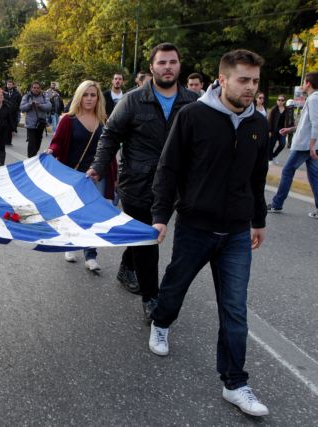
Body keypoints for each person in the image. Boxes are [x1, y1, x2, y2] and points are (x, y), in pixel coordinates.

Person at [149, 49, 269, 417]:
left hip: (235, 232)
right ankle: (161, 322)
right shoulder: (193, 117)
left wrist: (258, 220)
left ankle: (235, 383)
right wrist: (160, 216)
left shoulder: (258, 124)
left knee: (234, 308)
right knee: (174, 286)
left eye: (255, 82)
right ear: (224, 79)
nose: (250, 88)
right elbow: (168, 170)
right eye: (243, 80)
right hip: (195, 226)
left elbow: (257, 176)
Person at [86, 43, 198, 318]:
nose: (168, 67)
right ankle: (151, 299)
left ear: (179, 66)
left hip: (174, 187)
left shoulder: (193, 102)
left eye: (172, 62)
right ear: (152, 68)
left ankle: (127, 268)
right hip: (137, 184)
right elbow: (110, 135)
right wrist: (98, 167)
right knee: (148, 239)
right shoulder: (134, 100)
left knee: (141, 236)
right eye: (162, 63)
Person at [47, 81, 117, 272]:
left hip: (96, 177)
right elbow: (58, 143)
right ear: (79, 96)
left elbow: (110, 149)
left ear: (98, 98)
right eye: (85, 94)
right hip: (73, 175)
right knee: (73, 213)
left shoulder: (104, 121)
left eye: (93, 95)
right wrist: (51, 151)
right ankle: (70, 245)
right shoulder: (68, 120)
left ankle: (91, 254)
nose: (89, 98)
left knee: (92, 216)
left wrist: (113, 176)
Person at [268, 72, 318, 218]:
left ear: (308, 83)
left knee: (287, 171)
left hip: (305, 145)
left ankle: (277, 204)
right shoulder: (314, 98)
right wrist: (291, 129)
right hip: (309, 144)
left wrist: (311, 145)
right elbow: (307, 123)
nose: (302, 85)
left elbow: (316, 123)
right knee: (314, 176)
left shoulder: (313, 99)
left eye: (303, 82)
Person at [20, 81, 51, 157]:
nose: (36, 89)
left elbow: (49, 106)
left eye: (37, 88)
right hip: (31, 125)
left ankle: (33, 157)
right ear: (31, 88)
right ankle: (30, 160)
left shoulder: (44, 96)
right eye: (34, 88)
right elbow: (22, 108)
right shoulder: (26, 96)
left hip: (40, 124)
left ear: (40, 88)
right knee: (31, 144)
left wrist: (40, 105)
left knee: (37, 144)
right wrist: (30, 104)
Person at [267, 94, 293, 164]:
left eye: (282, 100)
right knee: (271, 145)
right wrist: (269, 131)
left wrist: (289, 129)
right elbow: (269, 120)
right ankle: (270, 159)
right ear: (277, 100)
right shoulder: (274, 109)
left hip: (282, 130)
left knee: (282, 144)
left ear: (284, 101)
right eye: (279, 100)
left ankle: (274, 156)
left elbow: (290, 120)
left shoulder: (287, 110)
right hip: (273, 130)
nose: (280, 101)